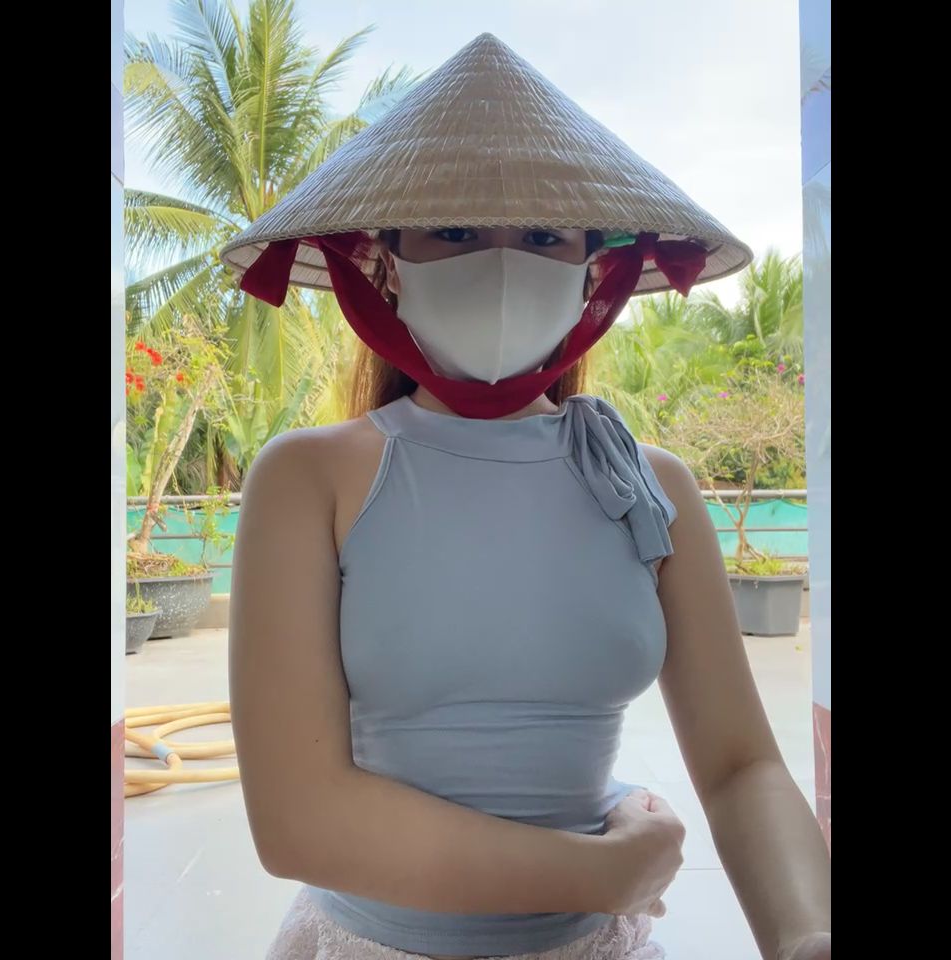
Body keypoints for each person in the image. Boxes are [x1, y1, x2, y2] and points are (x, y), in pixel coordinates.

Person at [220, 33, 831, 960]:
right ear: (385, 262)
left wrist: (806, 936)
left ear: (595, 269)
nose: (503, 262)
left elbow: (743, 766)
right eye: (457, 232)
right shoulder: (307, 478)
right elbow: (300, 821)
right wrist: (604, 875)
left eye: (544, 235)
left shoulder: (649, 484)